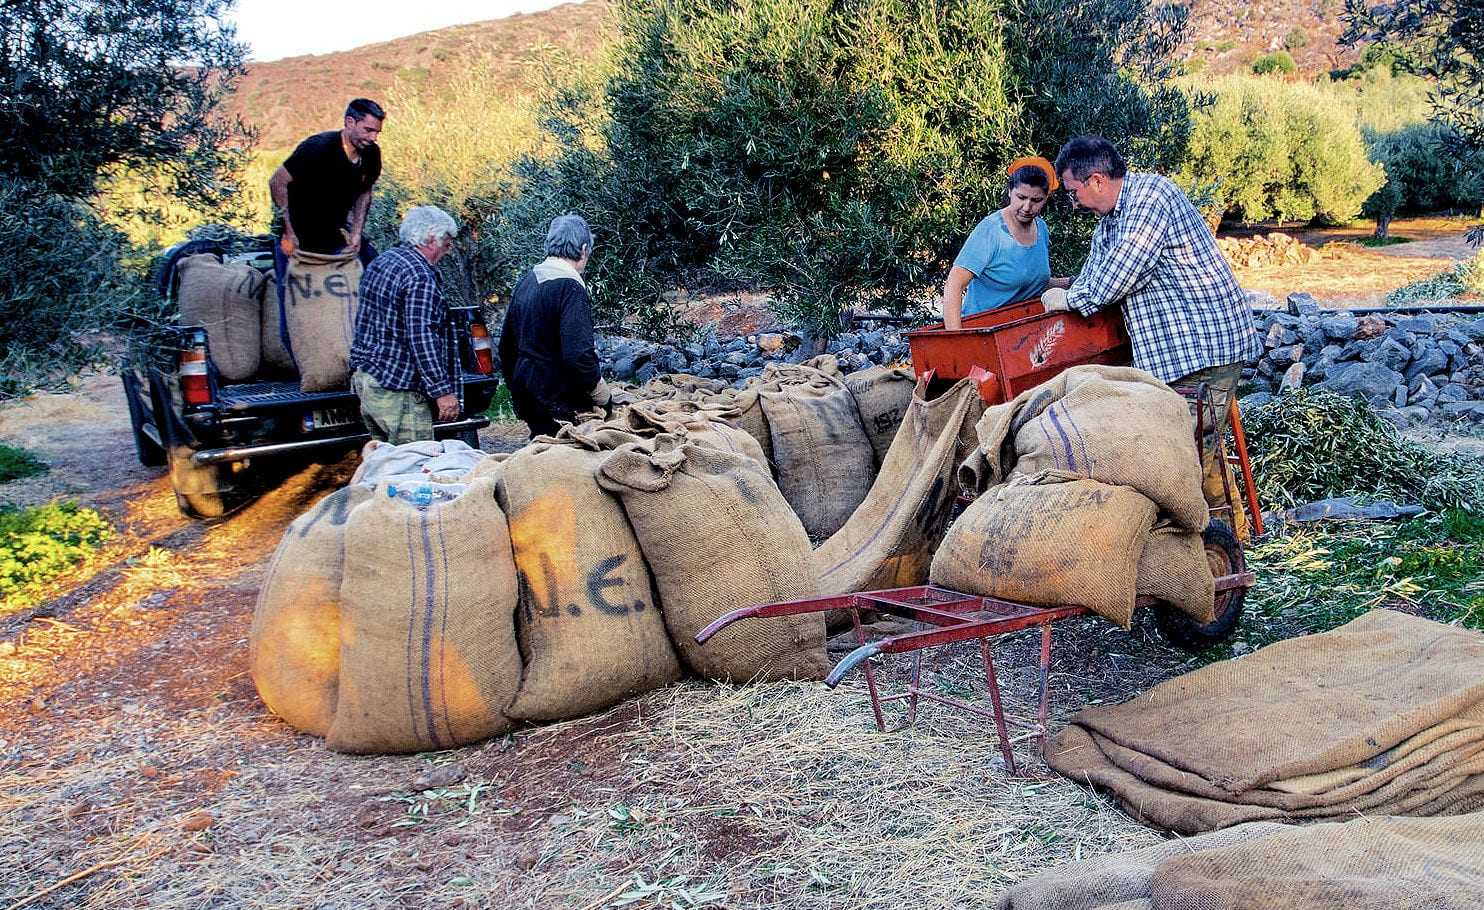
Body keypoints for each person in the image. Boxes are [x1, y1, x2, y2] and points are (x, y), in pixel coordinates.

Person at [1042, 136, 1261, 535]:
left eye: (1072, 192)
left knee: (1187, 453)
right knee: (1197, 448)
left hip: (1204, 345)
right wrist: (1060, 287)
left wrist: (1068, 300)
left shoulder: (1151, 198)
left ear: (1095, 180)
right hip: (1173, 353)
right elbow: (1094, 273)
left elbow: (1117, 276)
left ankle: (1213, 548)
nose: (1073, 204)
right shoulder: (1110, 221)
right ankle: (1234, 536)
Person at [348, 206, 461, 445]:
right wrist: (442, 391)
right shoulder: (420, 276)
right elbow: (422, 337)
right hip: (399, 390)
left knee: (387, 464)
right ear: (430, 238)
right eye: (447, 243)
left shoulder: (383, 262)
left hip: (370, 381)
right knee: (414, 464)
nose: (448, 250)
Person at [499, 215, 612, 438]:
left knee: (541, 448)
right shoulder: (570, 287)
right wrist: (602, 395)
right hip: (556, 397)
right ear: (584, 249)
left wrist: (518, 389)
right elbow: (578, 355)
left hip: (527, 391)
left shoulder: (527, 280)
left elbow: (506, 347)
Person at [268, 98, 385, 302]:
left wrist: (356, 232)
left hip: (334, 233)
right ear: (350, 122)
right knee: (293, 298)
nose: (373, 137)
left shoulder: (371, 155)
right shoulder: (318, 148)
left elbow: (365, 193)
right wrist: (288, 232)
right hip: (297, 233)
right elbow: (277, 182)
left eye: (377, 132)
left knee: (372, 272)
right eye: (368, 130)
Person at [942, 157, 1071, 330]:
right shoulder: (991, 230)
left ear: (1046, 198)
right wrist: (955, 340)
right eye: (1021, 197)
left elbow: (1034, 282)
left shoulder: (1041, 229)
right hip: (984, 330)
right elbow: (954, 284)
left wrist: (1072, 281)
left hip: (1024, 329)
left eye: (1036, 200)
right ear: (1010, 191)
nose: (1027, 207)